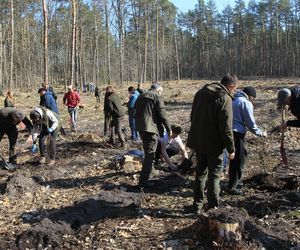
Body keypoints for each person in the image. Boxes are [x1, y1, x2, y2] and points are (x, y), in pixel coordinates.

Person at [187, 74, 238, 212]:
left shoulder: (200, 93)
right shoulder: (225, 98)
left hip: (198, 141)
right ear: (231, 87)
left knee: (200, 173)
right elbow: (226, 127)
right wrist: (231, 148)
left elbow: (192, 116)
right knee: (214, 175)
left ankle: (196, 206)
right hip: (214, 144)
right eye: (234, 89)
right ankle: (213, 207)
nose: (233, 92)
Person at [228, 86, 267, 195]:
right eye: (253, 98)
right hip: (237, 133)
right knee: (238, 159)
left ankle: (234, 181)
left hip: (226, 132)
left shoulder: (232, 99)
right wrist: (260, 133)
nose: (252, 100)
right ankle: (232, 187)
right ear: (250, 96)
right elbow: (250, 123)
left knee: (232, 158)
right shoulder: (245, 103)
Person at [135, 83, 171, 187]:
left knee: (148, 151)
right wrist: (168, 129)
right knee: (150, 154)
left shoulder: (141, 95)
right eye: (161, 92)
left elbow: (134, 111)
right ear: (159, 90)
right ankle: (143, 182)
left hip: (140, 127)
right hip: (150, 128)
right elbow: (162, 114)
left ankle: (151, 171)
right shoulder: (157, 96)